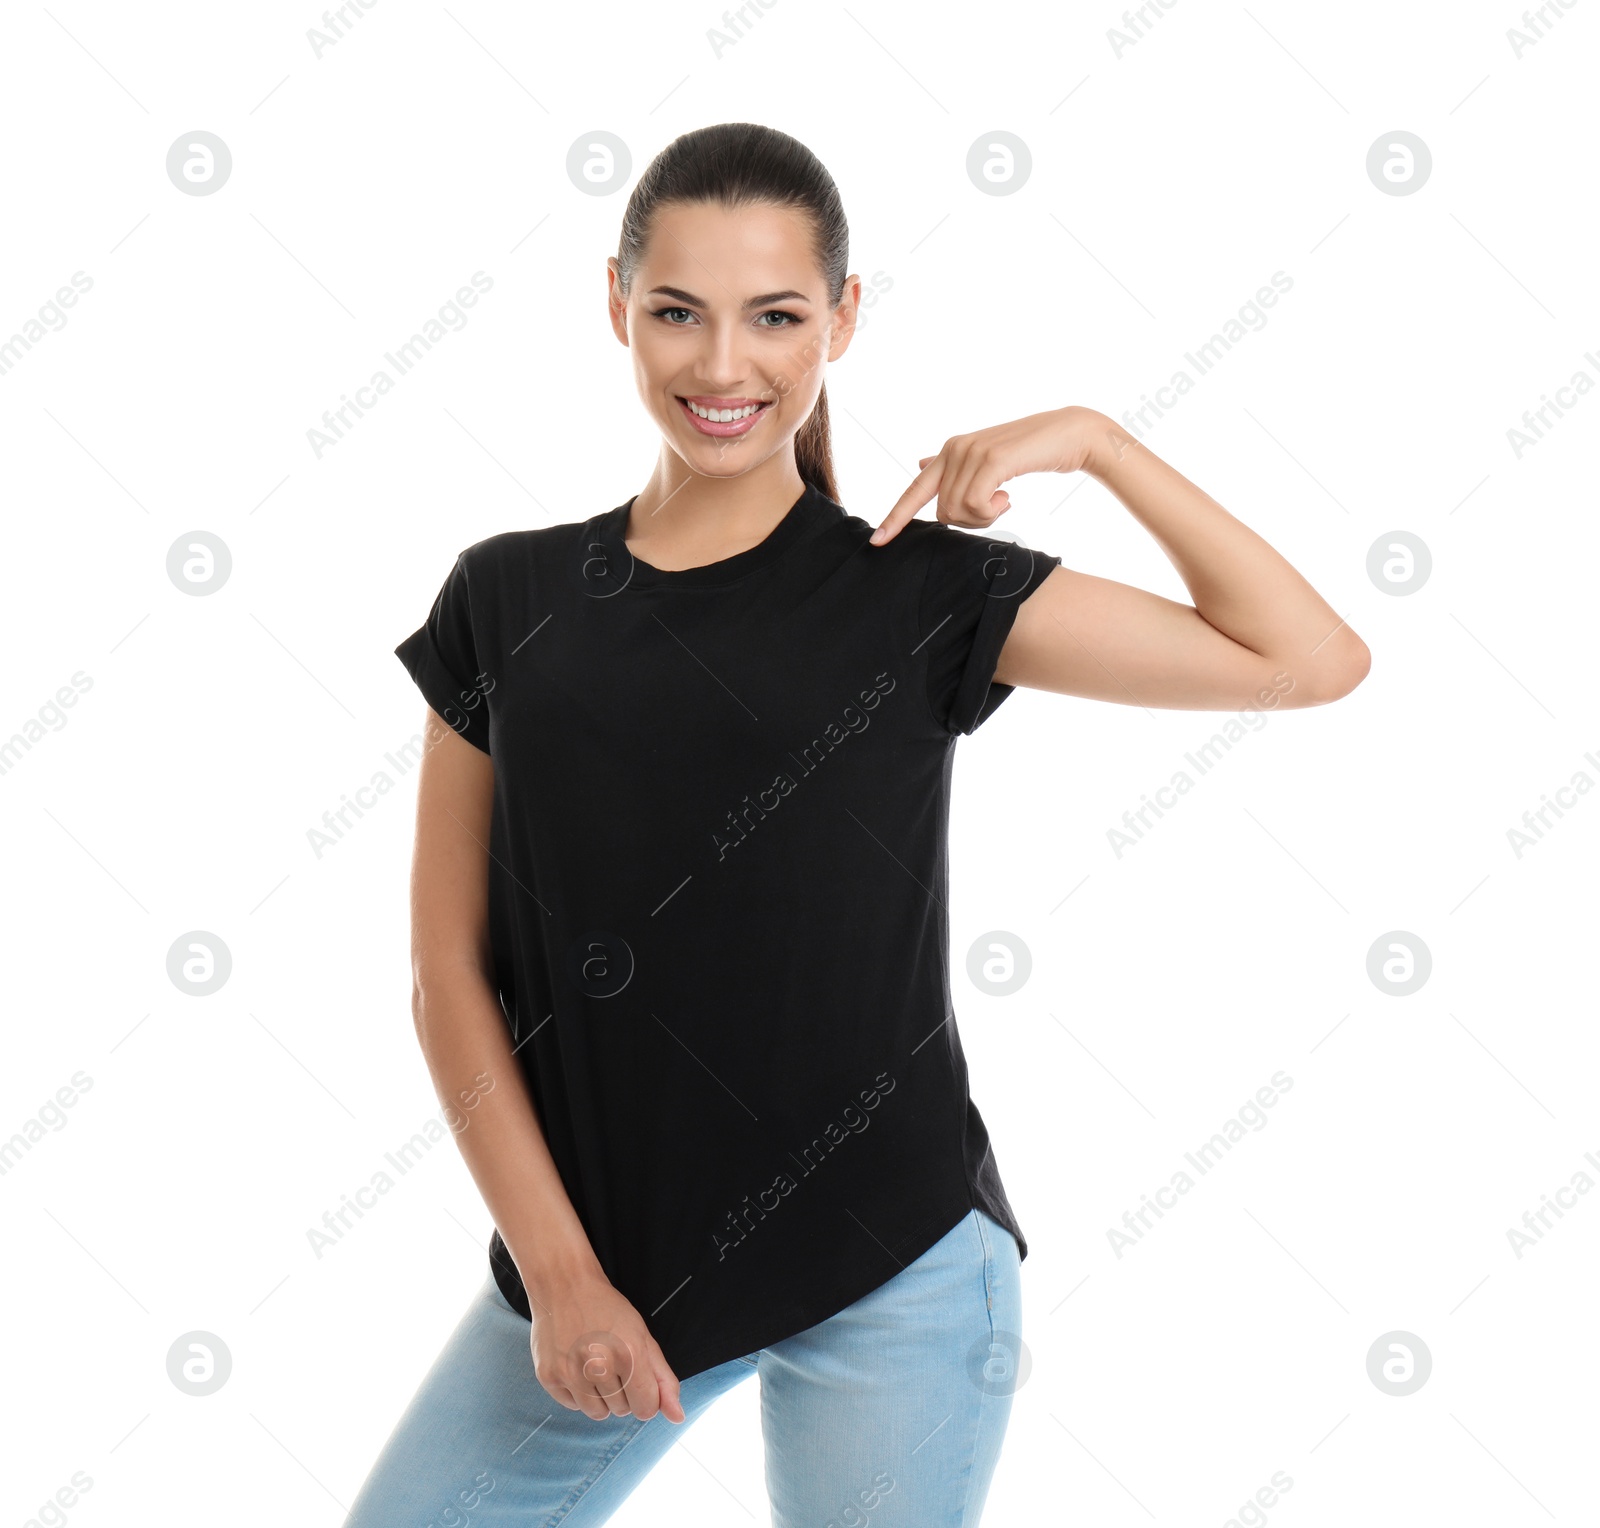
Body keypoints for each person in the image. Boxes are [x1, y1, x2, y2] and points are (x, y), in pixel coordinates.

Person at [347, 121, 1369, 1526]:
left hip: (895, 1266)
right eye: (677, 313)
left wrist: (1097, 442)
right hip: (603, 1263)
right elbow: (446, 972)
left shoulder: (917, 592)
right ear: (614, 306)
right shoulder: (509, 598)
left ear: (843, 317)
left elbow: (1305, 663)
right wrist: (564, 1275)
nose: (723, 367)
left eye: (775, 317)